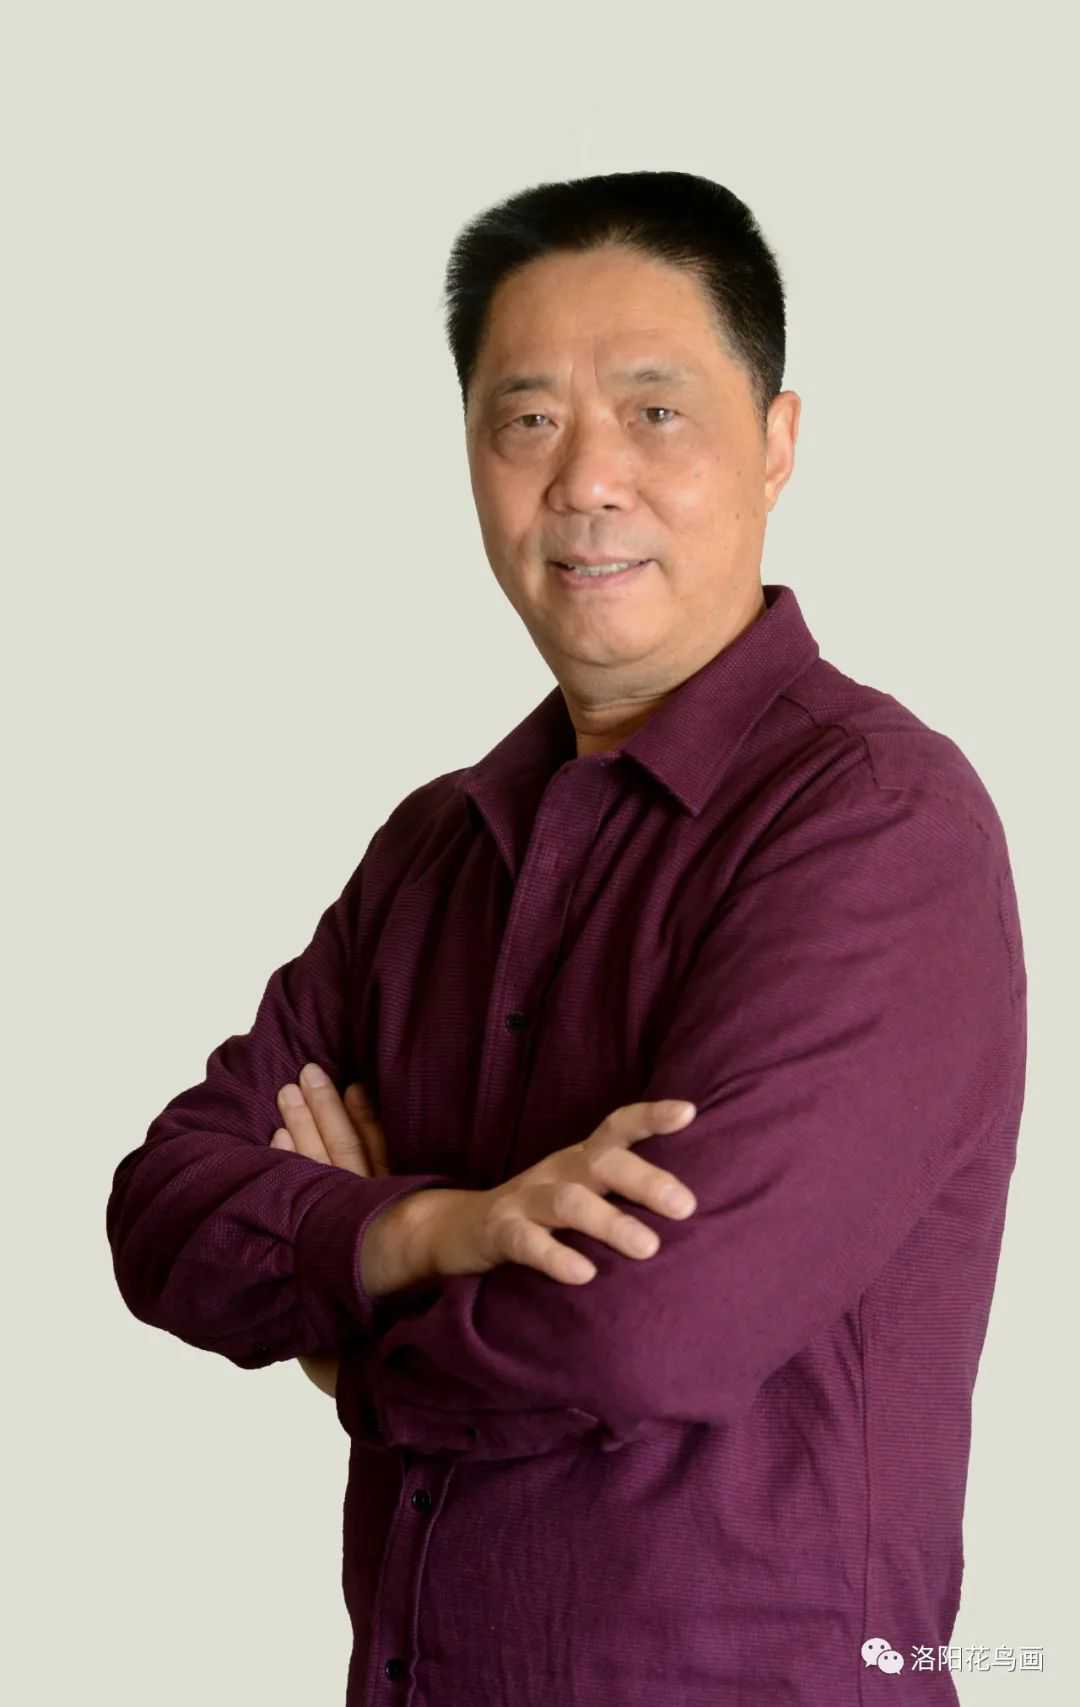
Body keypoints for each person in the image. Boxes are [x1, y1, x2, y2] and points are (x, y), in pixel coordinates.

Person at [105, 170, 1027, 1707]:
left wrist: (345, 1328)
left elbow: (649, 1333)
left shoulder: (874, 824)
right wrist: (428, 1234)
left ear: (777, 441)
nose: (587, 478)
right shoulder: (433, 851)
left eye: (655, 412)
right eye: (526, 420)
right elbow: (161, 1209)